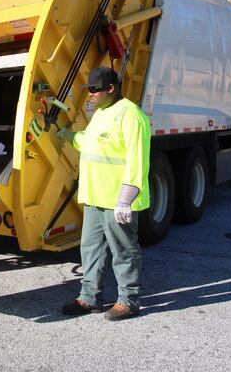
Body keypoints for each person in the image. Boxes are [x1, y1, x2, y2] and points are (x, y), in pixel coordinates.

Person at [58, 66, 151, 321]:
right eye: (88, 90)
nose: (90, 95)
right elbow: (90, 143)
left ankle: (129, 301)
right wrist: (67, 135)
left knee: (123, 251)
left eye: (95, 90)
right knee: (90, 250)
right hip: (94, 198)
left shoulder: (131, 115)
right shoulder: (100, 113)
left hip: (117, 200)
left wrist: (126, 198)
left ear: (111, 88)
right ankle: (89, 298)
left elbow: (138, 160)